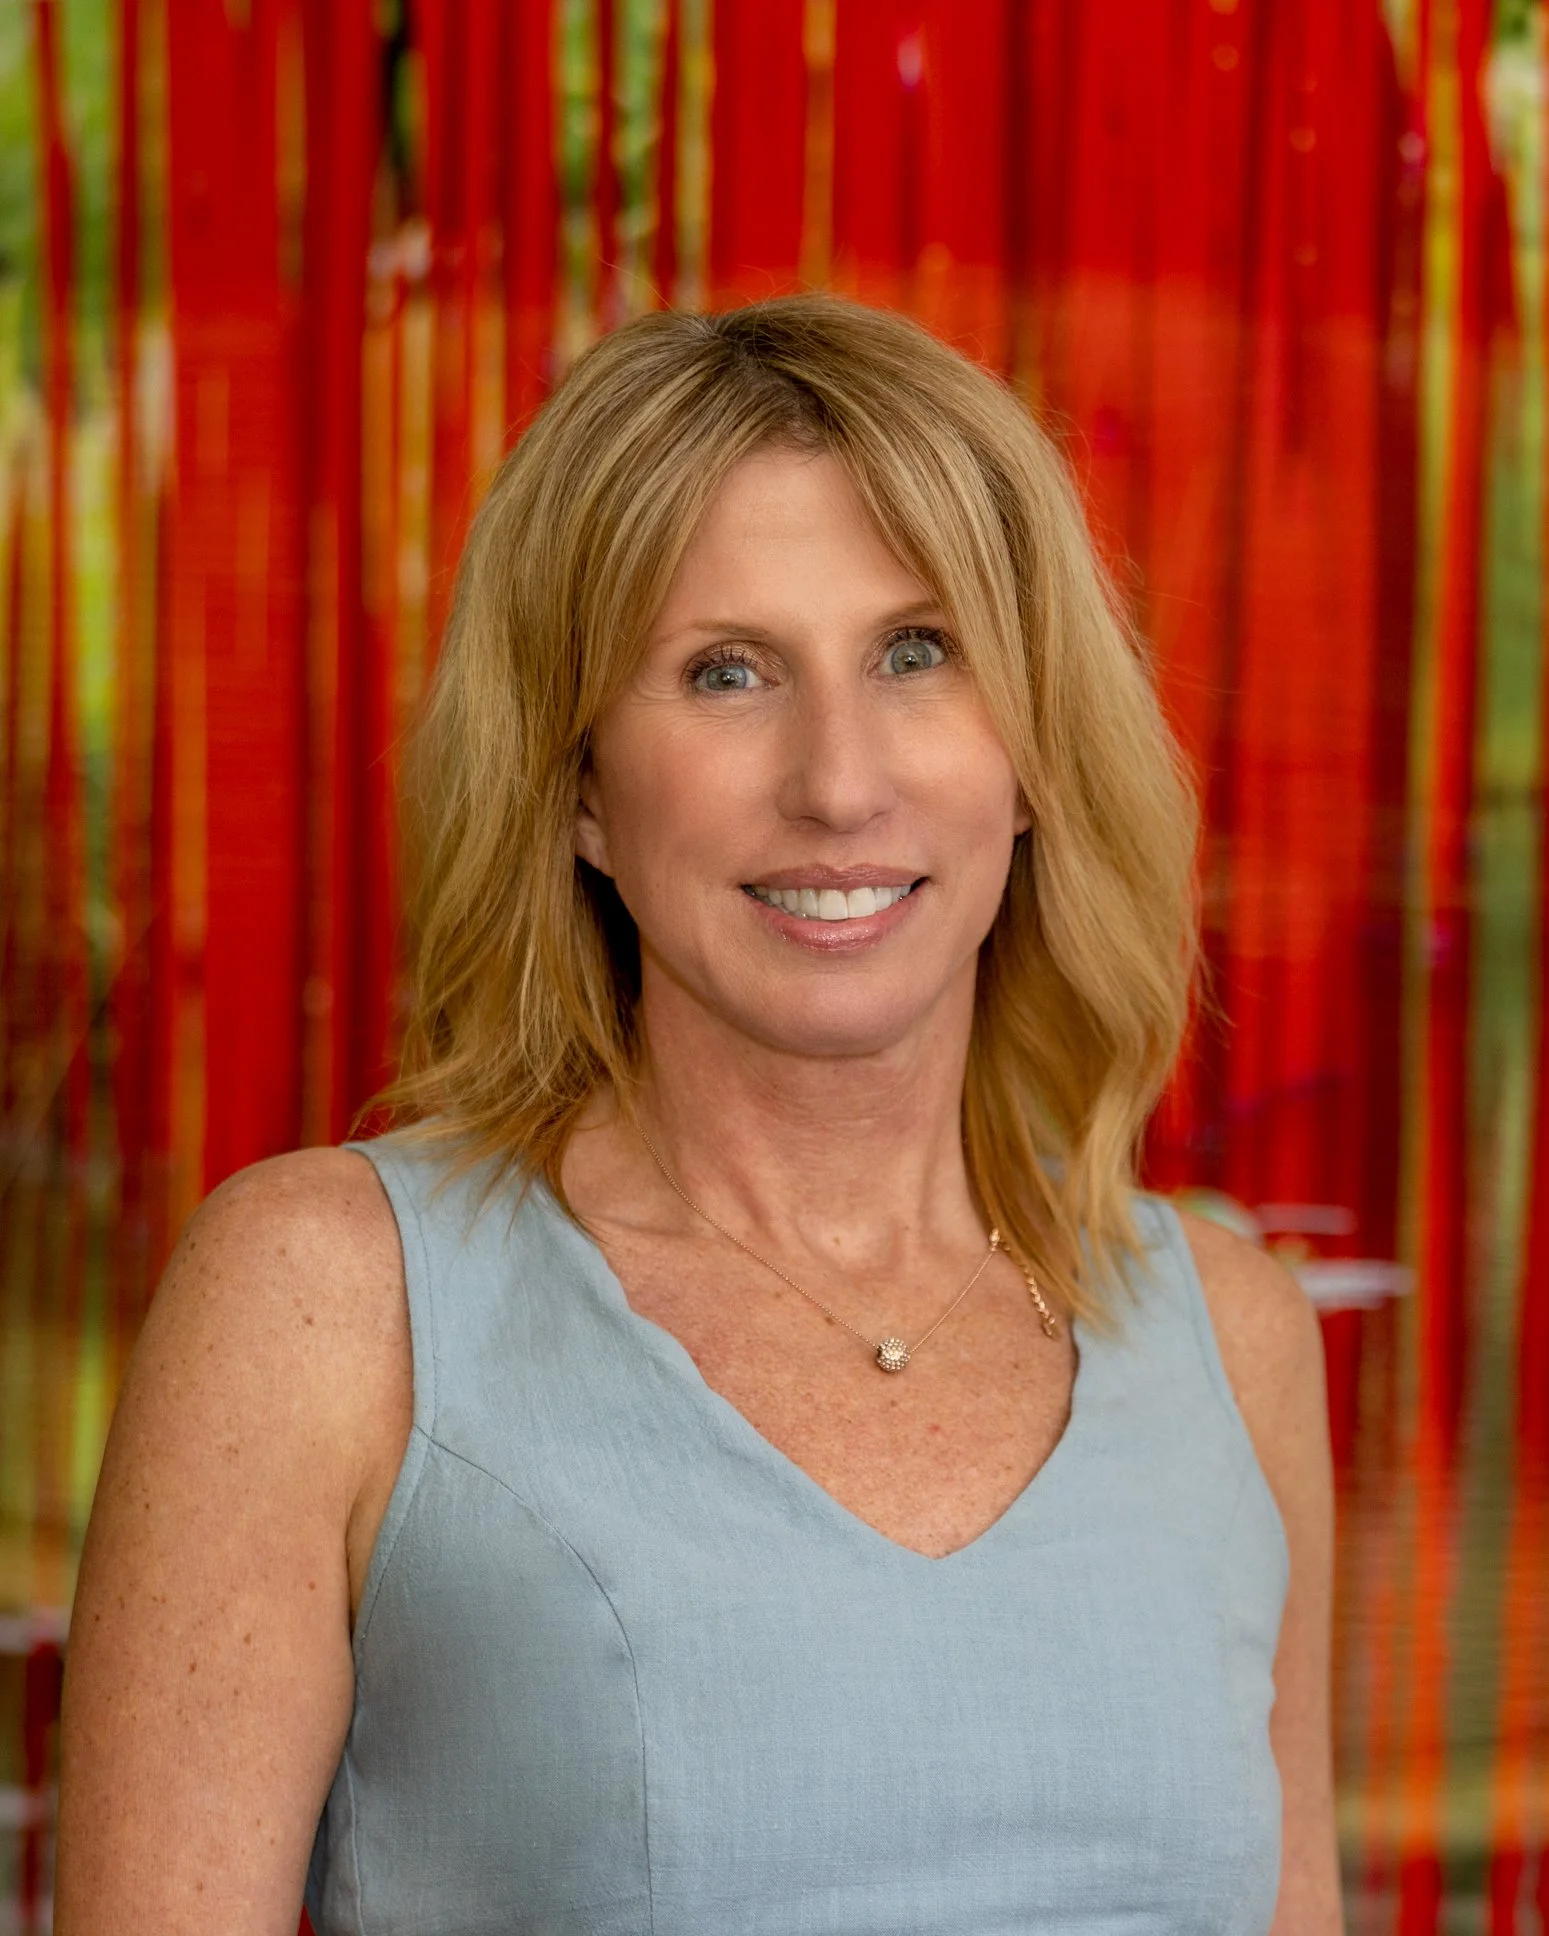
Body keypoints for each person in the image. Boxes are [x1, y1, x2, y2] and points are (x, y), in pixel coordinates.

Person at [56, 294, 1341, 1934]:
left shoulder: (1232, 1338)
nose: (839, 780)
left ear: (1029, 758)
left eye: (917, 651)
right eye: (725, 671)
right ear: (582, 785)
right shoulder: (328, 1303)